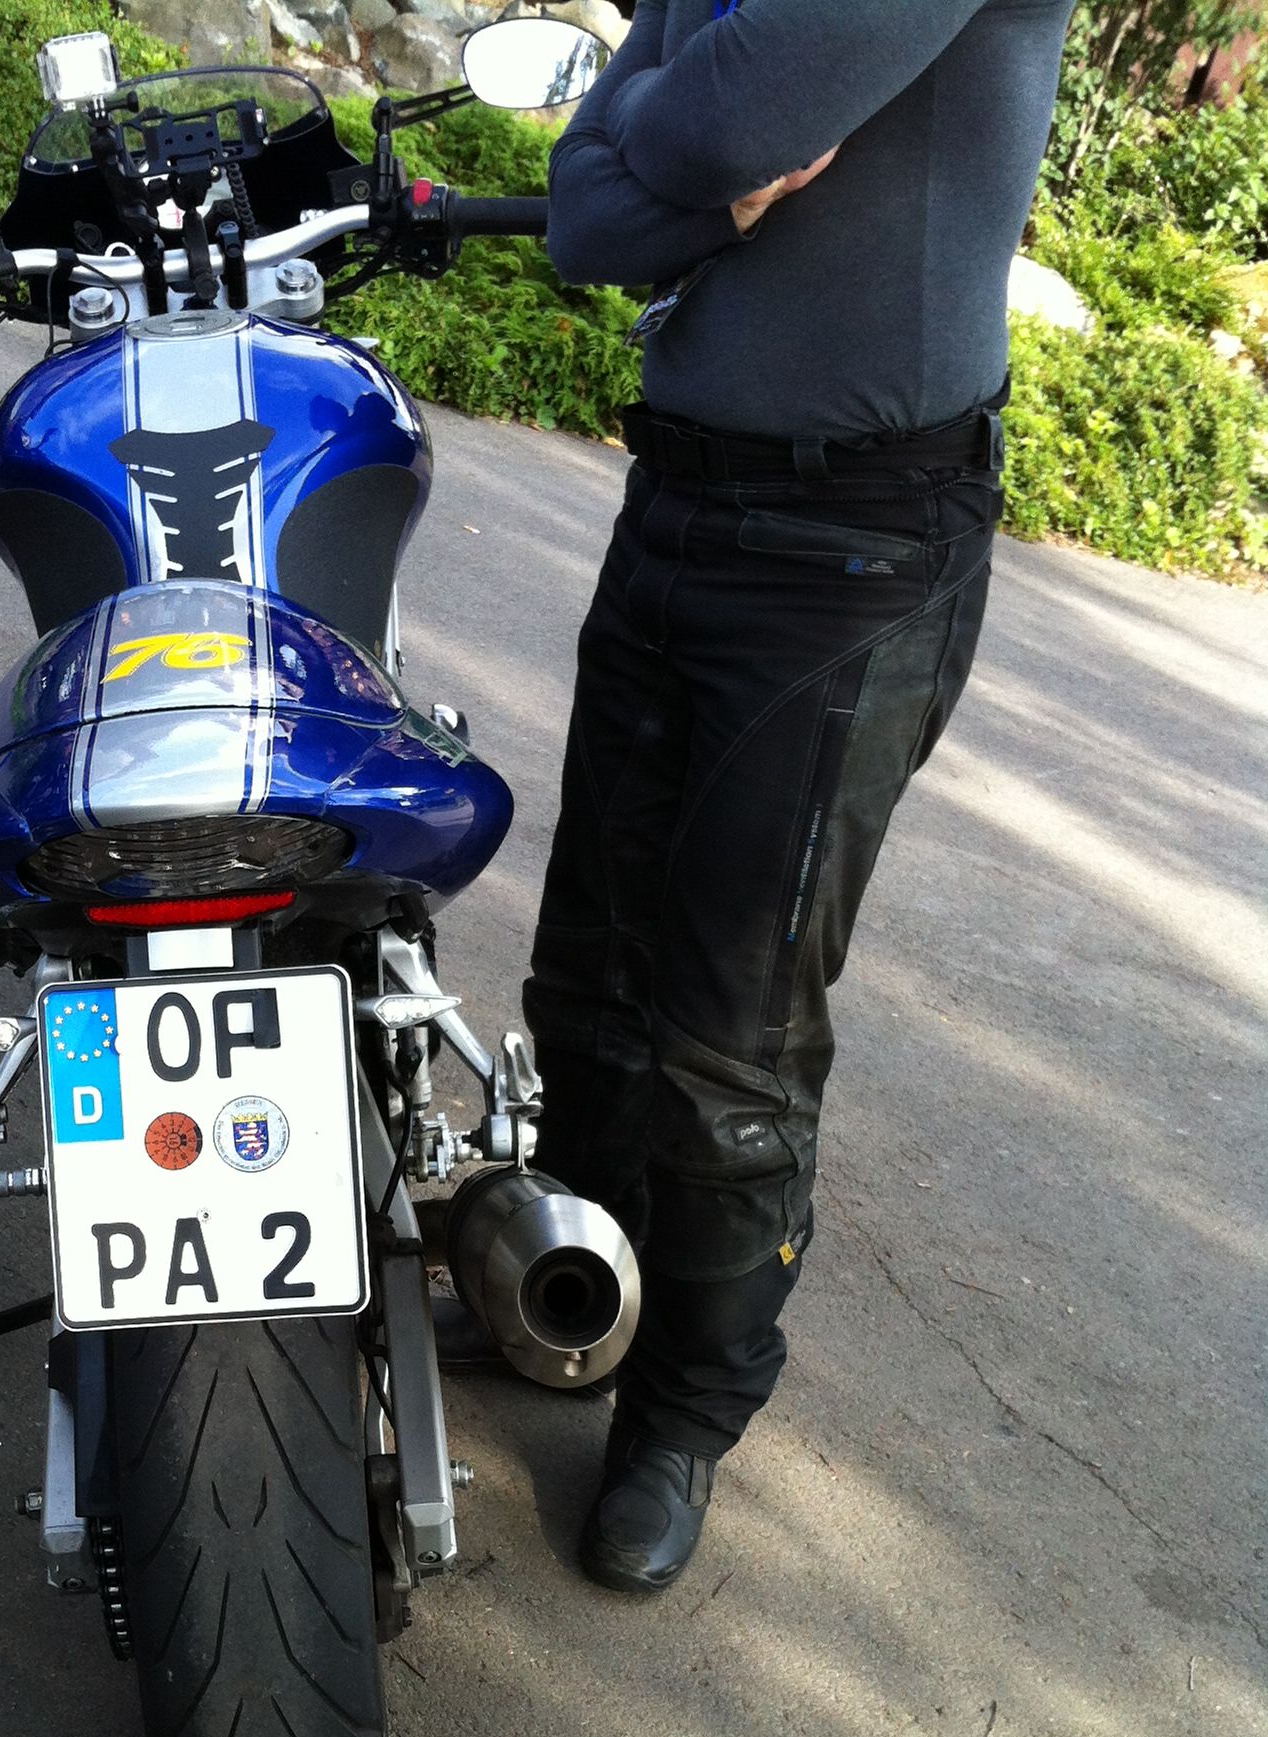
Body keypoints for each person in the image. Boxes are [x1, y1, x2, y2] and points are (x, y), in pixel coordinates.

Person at [457, 0, 1073, 1593]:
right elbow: (586, 221)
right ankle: (575, 1285)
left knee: (731, 1037)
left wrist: (683, 138)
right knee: (592, 971)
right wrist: (710, 170)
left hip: (856, 550)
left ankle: (683, 1413)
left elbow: (725, 120)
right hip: (678, 503)